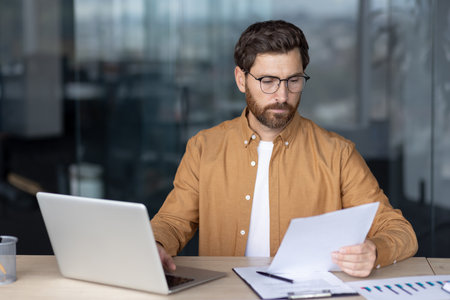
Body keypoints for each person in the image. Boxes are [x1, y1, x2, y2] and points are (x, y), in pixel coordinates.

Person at [151, 20, 418, 277]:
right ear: (241, 79)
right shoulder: (204, 148)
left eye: (293, 80)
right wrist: (157, 244)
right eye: (268, 81)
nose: (282, 96)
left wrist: (374, 250)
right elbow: (172, 222)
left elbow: (399, 231)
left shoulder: (338, 154)